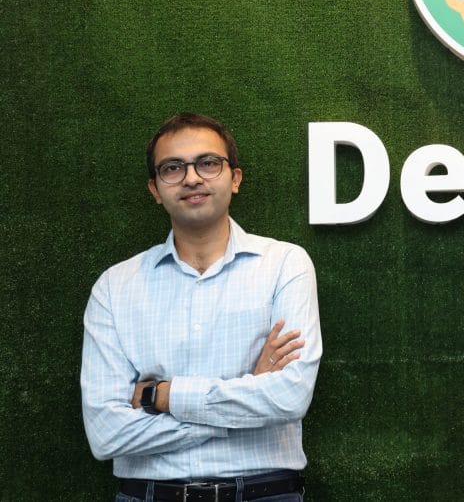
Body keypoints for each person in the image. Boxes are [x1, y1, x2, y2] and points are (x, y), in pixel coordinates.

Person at [81, 112, 322, 501]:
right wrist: (244, 404)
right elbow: (107, 434)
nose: (192, 178)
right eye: (172, 168)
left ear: (235, 178)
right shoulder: (114, 287)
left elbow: (289, 397)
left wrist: (163, 396)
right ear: (155, 189)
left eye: (208, 163)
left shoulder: (285, 265)